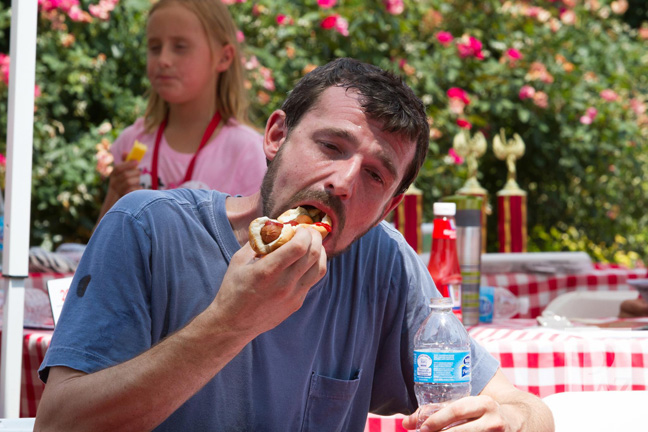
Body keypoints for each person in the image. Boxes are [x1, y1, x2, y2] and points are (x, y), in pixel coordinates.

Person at [35, 58, 553, 432]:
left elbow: (524, 407)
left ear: (389, 207)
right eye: (331, 146)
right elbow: (59, 424)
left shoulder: (380, 259)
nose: (344, 182)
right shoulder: (146, 229)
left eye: (375, 174)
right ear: (277, 135)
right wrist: (231, 322)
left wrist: (509, 419)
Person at [96, 0, 266, 225]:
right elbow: (99, 252)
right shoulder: (131, 141)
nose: (163, 60)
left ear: (224, 57)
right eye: (154, 47)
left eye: (180, 47)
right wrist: (115, 196)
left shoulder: (248, 152)